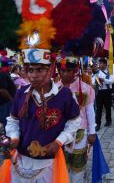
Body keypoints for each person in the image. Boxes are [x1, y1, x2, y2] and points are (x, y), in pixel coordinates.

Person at [3, 33, 81, 182]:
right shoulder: (20, 94)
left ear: (51, 70)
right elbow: (13, 120)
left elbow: (75, 121)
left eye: (40, 70)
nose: (34, 75)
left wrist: (59, 141)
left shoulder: (64, 95)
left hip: (49, 163)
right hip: (20, 161)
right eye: (30, 70)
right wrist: (14, 138)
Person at [57, 55, 96, 182]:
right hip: (58, 134)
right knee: (62, 165)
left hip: (80, 132)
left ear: (75, 71)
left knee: (78, 165)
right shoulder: (53, 88)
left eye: (68, 70)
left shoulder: (86, 88)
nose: (65, 74)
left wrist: (92, 132)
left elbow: (90, 111)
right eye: (62, 70)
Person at [95, 58, 114, 131]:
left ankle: (108, 121)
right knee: (98, 109)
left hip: (107, 91)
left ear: (105, 64)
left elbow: (111, 81)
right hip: (99, 92)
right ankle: (98, 124)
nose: (100, 65)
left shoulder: (110, 72)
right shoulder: (97, 72)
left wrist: (104, 80)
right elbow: (94, 81)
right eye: (99, 63)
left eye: (101, 63)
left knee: (107, 107)